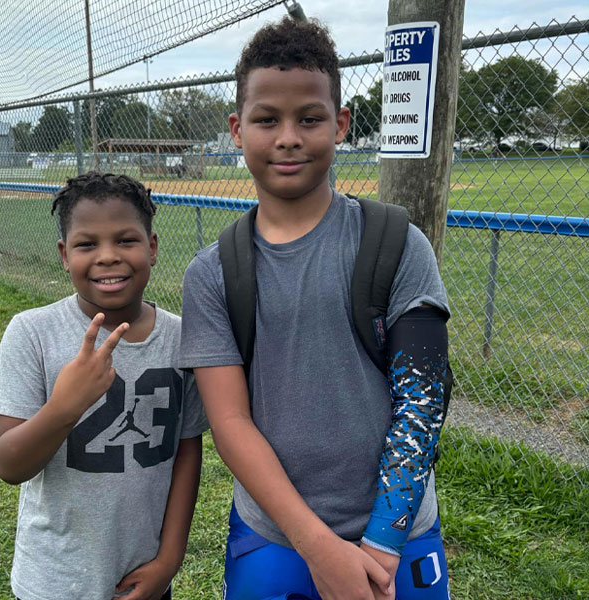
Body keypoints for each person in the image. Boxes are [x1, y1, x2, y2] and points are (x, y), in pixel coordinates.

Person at [180, 17, 451, 600]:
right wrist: (319, 548)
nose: (288, 137)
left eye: (309, 118)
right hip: (274, 539)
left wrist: (381, 543)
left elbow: (423, 400)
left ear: (341, 124)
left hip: (398, 540)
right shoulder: (211, 273)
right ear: (236, 129)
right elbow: (230, 423)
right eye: (266, 120)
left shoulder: (397, 243)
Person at [0, 172, 208, 600]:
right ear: (64, 255)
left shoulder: (183, 339)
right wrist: (65, 407)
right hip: (54, 580)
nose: (108, 257)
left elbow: (186, 451)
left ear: (152, 247)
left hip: (144, 577)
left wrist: (169, 560)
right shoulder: (33, 333)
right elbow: (9, 465)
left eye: (126, 240)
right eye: (87, 244)